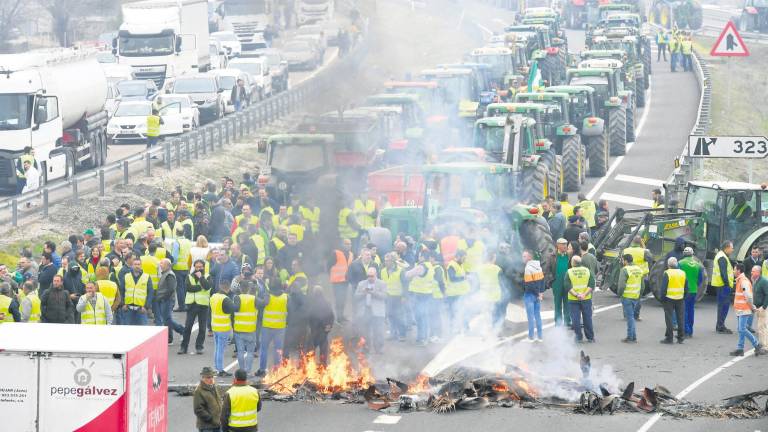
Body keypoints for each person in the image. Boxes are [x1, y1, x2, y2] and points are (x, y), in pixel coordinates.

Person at [730, 263, 766, 356]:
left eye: (734, 269)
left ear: (738, 271)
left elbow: (749, 297)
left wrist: (752, 307)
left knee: (742, 329)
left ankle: (757, 345)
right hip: (740, 309)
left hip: (744, 309)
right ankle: (740, 349)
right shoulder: (740, 280)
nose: (733, 271)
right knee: (741, 329)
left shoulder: (743, 281)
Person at [180, 260, 212, 355]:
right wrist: (199, 288)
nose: (198, 269)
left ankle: (199, 347)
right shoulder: (189, 276)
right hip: (192, 304)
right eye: (197, 267)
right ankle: (183, 347)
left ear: (204, 267)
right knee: (188, 327)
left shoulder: (207, 277)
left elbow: (207, 286)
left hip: (203, 305)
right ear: (194, 267)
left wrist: (201, 277)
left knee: (202, 328)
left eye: (200, 267)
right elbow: (188, 288)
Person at [257, 281, 288, 377]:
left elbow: (261, 304)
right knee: (278, 349)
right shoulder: (285, 297)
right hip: (280, 328)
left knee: (264, 349)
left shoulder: (268, 296)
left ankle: (262, 370)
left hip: (267, 327)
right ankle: (277, 369)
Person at [355, 266, 387, 353]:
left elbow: (384, 296)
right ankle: (366, 348)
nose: (370, 278)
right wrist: (363, 293)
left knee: (378, 331)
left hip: (377, 311)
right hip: (365, 310)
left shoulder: (382, 283)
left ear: (376, 275)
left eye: (372, 276)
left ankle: (379, 349)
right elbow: (356, 296)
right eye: (368, 276)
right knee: (364, 331)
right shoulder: (361, 284)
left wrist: (373, 292)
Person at [233, 280, 262, 375]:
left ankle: (241, 371)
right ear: (249, 289)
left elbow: (234, 309)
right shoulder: (254, 298)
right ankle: (248, 371)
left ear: (240, 289)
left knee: (240, 352)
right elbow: (263, 304)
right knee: (250, 352)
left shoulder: (237, 298)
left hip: (239, 330)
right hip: (250, 329)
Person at [565, 255, 595, 343]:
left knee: (575, 319)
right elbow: (591, 285)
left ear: (573, 263)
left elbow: (567, 286)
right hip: (586, 299)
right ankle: (590, 337)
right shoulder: (587, 271)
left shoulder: (569, 272)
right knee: (587, 318)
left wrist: (576, 295)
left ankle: (578, 338)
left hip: (573, 299)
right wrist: (584, 294)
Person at [622, 236, 652, 321]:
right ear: (640, 242)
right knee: (638, 296)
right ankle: (636, 315)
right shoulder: (644, 251)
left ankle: (626, 314)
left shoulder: (626, 250)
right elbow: (650, 258)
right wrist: (644, 246)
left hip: (627, 274)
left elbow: (621, 262)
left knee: (626, 294)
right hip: (640, 276)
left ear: (632, 242)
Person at [211, 279, 235, 376]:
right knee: (221, 349)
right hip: (223, 327)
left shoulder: (213, 296)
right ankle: (220, 370)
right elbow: (233, 309)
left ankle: (216, 367)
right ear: (228, 288)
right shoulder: (226, 299)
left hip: (215, 326)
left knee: (217, 348)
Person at [156, 258, 185, 343]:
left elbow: (171, 289)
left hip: (167, 300)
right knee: (167, 320)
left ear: (167, 265)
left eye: (162, 263)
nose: (160, 265)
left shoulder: (169, 275)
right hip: (164, 300)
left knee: (167, 320)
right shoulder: (165, 273)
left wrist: (163, 297)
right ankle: (169, 338)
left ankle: (182, 330)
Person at [617, 254, 644, 343]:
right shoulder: (639, 269)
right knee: (631, 317)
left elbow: (621, 285)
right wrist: (639, 295)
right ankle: (633, 336)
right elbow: (643, 286)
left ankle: (630, 337)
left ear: (625, 261)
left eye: (622, 260)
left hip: (627, 296)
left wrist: (619, 294)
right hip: (636, 296)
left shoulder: (624, 270)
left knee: (630, 318)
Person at [120, 257, 153, 325]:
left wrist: (146, 307)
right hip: (128, 308)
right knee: (128, 331)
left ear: (141, 266)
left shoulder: (146, 277)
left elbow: (150, 293)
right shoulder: (126, 276)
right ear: (132, 265)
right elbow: (121, 291)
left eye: (138, 264)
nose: (137, 266)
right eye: (135, 264)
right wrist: (123, 304)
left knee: (142, 331)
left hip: (141, 309)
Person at [678, 247, 703, 338]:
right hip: (693, 290)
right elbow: (700, 280)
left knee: (683, 311)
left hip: (683, 291)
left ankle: (686, 331)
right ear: (692, 254)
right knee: (691, 310)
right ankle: (691, 331)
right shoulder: (698, 265)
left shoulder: (680, 263)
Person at [660, 257, 686, 344]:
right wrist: (683, 296)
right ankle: (681, 337)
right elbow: (686, 288)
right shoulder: (683, 273)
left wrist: (662, 299)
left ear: (668, 265)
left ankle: (669, 338)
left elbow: (663, 288)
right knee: (680, 318)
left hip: (669, 299)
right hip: (680, 298)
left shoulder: (667, 273)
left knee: (669, 319)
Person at [382, 252, 407, 341]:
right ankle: (393, 333)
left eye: (388, 261)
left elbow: (405, 284)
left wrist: (404, 296)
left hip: (398, 297)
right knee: (390, 315)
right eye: (385, 261)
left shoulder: (400, 270)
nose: (386, 262)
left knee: (399, 316)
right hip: (388, 297)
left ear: (393, 261)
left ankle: (402, 334)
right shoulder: (383, 270)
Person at [547, 238, 571, 327]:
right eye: (563, 244)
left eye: (566, 244)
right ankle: (558, 322)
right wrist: (551, 280)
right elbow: (547, 270)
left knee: (567, 302)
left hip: (567, 283)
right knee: (557, 303)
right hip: (557, 283)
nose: (565, 246)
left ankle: (567, 322)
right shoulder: (552, 256)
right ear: (558, 245)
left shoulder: (569, 255)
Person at [307, 285, 334, 365]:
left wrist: (309, 326)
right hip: (323, 332)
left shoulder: (311, 303)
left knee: (310, 351)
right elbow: (331, 316)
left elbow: (308, 316)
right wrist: (329, 327)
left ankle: (309, 367)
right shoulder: (327, 303)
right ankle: (323, 368)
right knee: (323, 352)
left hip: (314, 332)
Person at [328, 238, 354, 323]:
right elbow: (328, 265)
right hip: (337, 281)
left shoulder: (351, 254)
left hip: (345, 281)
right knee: (338, 300)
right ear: (342, 244)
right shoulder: (336, 253)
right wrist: (331, 275)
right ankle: (338, 318)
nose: (348, 246)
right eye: (346, 244)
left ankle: (341, 316)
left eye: (349, 244)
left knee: (343, 299)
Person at [445, 249, 470, 333]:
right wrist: (464, 278)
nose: (464, 260)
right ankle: (453, 329)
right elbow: (452, 278)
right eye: (463, 258)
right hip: (453, 294)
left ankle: (465, 328)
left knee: (462, 310)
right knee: (453, 312)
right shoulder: (452, 265)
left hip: (460, 293)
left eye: (465, 258)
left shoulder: (460, 265)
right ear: (458, 257)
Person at [712, 241, 735, 334]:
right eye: (732, 248)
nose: (732, 250)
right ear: (727, 248)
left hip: (721, 285)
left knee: (722, 306)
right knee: (723, 306)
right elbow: (723, 273)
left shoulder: (721, 256)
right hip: (723, 285)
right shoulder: (722, 257)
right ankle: (720, 326)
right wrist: (727, 284)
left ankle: (720, 325)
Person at [522, 250, 544, 342]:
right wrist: (540, 293)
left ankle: (531, 337)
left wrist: (537, 294)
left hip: (530, 295)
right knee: (537, 316)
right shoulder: (538, 267)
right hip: (537, 295)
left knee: (530, 317)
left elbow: (529, 285)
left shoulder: (528, 268)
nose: (522, 258)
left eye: (524, 256)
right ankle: (540, 337)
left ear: (530, 257)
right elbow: (542, 281)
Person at [193, 366, 223, 432]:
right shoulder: (199, 391)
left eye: (212, 377)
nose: (211, 379)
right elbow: (198, 409)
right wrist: (210, 419)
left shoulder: (214, 387)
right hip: (207, 427)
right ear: (203, 378)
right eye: (208, 377)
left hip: (218, 424)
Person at [752, 265, 768, 347]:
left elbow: (767, 294)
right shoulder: (755, 280)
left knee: (762, 327)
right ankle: (763, 344)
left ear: (758, 272)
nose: (751, 272)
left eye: (753, 271)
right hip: (758, 307)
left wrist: (764, 307)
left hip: (762, 308)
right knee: (760, 327)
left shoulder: (763, 281)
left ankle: (764, 346)